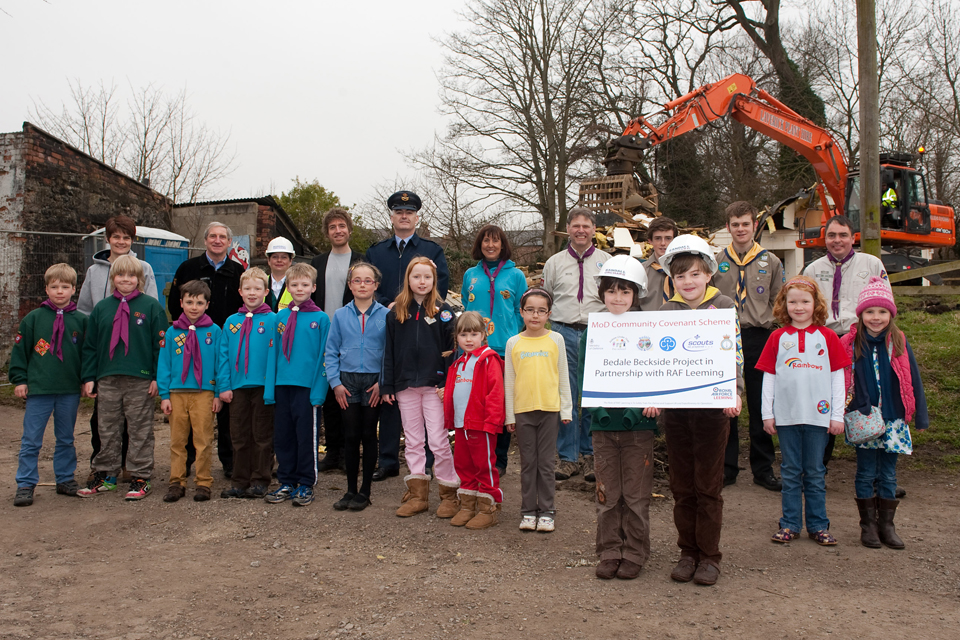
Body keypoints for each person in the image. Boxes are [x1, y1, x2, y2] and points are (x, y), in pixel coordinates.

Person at [656, 235, 743, 586]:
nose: (688, 282)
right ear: (671, 280)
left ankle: (709, 555)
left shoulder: (723, 306)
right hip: (676, 411)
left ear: (708, 273)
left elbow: (735, 351)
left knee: (708, 485)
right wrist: (655, 394)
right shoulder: (665, 311)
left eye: (694, 274)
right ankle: (687, 551)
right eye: (680, 276)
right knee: (681, 484)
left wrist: (734, 392)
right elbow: (658, 360)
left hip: (712, 411)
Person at [577, 256, 658, 580]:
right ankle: (610, 549)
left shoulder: (649, 330)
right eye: (612, 291)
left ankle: (635, 551)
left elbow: (657, 372)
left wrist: (653, 403)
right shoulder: (591, 333)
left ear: (636, 294)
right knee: (607, 494)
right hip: (603, 426)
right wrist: (594, 409)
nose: (618, 298)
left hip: (639, 427)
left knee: (636, 497)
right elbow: (584, 375)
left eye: (625, 291)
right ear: (602, 293)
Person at [757, 276, 849, 546]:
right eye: (792, 301)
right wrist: (767, 414)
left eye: (805, 301)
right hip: (786, 417)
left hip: (818, 418)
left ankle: (819, 525)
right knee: (790, 471)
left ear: (816, 304)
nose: (799, 307)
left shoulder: (828, 337)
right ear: (784, 305)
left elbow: (837, 378)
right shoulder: (776, 337)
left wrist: (836, 415)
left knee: (816, 472)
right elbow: (769, 378)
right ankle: (790, 524)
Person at [365, 191, 449, 481]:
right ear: (391, 216)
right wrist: (391, 304)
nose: (404, 216)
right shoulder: (377, 251)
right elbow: (369, 282)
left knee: (425, 404)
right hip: (387, 322)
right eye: (398, 211)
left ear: (416, 217)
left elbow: (442, 283)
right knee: (391, 393)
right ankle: (388, 460)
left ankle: (425, 464)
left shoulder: (431, 250)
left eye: (409, 212)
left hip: (423, 328)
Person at [841, 277, 928, 549]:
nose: (875, 318)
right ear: (861, 314)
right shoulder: (851, 342)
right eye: (869, 312)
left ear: (890, 314)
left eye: (882, 312)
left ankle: (886, 525)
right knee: (866, 472)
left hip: (893, 418)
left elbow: (912, 378)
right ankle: (867, 526)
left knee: (888, 474)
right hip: (864, 419)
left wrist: (920, 414)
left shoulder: (899, 341)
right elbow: (841, 379)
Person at [803, 215, 888, 469]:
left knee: (868, 399)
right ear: (824, 239)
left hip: (861, 339)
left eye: (842, 235)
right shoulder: (812, 270)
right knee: (824, 400)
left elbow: (886, 303)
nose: (837, 240)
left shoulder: (871, 263)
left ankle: (876, 475)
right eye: (831, 235)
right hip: (824, 340)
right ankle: (817, 468)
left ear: (853, 238)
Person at [79, 255, 167, 500]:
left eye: (131, 276)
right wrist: (89, 376)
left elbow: (160, 345)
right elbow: (91, 346)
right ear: (112, 278)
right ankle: (105, 475)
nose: (125, 280)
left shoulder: (151, 307)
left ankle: (140, 476)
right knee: (106, 428)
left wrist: (156, 376)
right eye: (120, 275)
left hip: (139, 379)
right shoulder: (102, 308)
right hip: (107, 378)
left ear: (139, 279)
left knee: (139, 429)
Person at [712, 202, 785, 491]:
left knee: (758, 403)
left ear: (755, 225)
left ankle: (762, 468)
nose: (740, 229)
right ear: (727, 227)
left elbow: (778, 303)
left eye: (746, 223)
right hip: (725, 337)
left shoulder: (772, 261)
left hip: (758, 336)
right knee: (726, 403)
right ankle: (727, 467)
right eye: (735, 224)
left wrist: (774, 333)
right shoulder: (716, 261)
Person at [381, 257, 459, 518]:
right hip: (404, 386)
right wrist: (388, 385)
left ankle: (448, 494)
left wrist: (446, 382)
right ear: (408, 280)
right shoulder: (395, 312)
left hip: (434, 386)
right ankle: (417, 495)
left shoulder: (444, 312)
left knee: (438, 440)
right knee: (413, 441)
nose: (422, 282)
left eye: (427, 277)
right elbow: (389, 352)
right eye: (417, 277)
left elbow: (453, 351)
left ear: (434, 280)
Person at [169, 222, 244, 478]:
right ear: (205, 239)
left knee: (224, 404)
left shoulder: (237, 271)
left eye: (222, 236)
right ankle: (188, 462)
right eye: (213, 236)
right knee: (191, 408)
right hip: (192, 342)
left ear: (229, 242)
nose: (217, 240)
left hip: (226, 346)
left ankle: (229, 461)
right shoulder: (188, 268)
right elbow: (174, 303)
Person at [541, 207, 611, 481]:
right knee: (566, 394)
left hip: (598, 332)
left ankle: (591, 454)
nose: (581, 230)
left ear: (594, 229)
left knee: (592, 393)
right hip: (563, 331)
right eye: (575, 225)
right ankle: (567, 457)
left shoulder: (607, 261)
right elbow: (546, 299)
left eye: (586, 225)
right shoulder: (554, 263)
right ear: (568, 228)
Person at [11, 264, 87, 507]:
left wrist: (87, 379)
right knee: (31, 439)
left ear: (74, 289)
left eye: (65, 287)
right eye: (54, 287)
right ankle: (25, 483)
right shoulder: (34, 319)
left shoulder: (81, 321)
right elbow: (21, 352)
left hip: (68, 389)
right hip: (39, 389)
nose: (60, 292)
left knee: (65, 437)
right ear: (46, 289)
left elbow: (87, 354)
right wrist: (20, 379)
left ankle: (65, 478)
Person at [504, 288, 572, 533]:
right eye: (530, 310)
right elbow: (509, 381)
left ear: (549, 314)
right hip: (523, 412)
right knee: (527, 464)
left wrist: (566, 410)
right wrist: (509, 415)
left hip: (549, 410)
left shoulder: (556, 340)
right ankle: (527, 511)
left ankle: (547, 512)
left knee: (545, 464)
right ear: (521, 312)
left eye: (541, 311)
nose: (535, 315)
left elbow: (563, 376)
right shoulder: (514, 342)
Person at [461, 225, 527, 475]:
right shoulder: (470, 274)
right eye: (486, 241)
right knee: (475, 404)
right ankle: (478, 456)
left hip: (503, 350)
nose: (490, 245)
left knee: (498, 406)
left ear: (503, 245)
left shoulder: (516, 275)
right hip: (474, 351)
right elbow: (467, 308)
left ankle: (499, 461)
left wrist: (510, 334)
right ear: (480, 244)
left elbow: (521, 312)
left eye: (495, 241)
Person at [263, 263, 330, 507]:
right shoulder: (279, 317)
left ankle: (305, 482)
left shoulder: (321, 319)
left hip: (307, 389)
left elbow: (325, 356)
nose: (299, 289)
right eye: (294, 285)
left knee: (306, 437)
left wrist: (319, 392)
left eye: (304, 285)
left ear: (313, 287)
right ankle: (286, 481)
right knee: (283, 437)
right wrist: (270, 389)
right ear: (287, 288)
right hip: (282, 386)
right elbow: (273, 355)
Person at [326, 262, 389, 512]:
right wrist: (336, 383)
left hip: (373, 382)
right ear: (350, 285)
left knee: (368, 434)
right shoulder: (340, 315)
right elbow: (330, 352)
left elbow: (390, 353)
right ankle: (350, 489)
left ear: (376, 285)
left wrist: (382, 383)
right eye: (357, 280)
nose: (362, 285)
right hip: (347, 382)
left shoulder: (386, 315)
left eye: (368, 281)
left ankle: (365, 491)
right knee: (350, 435)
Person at [158, 280, 223, 503]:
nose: (194, 307)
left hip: (204, 392)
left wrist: (217, 394)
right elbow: (164, 364)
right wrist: (164, 395)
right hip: (176, 392)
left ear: (207, 304)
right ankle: (177, 481)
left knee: (203, 439)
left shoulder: (214, 331)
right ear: (181, 303)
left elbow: (219, 363)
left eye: (199, 302)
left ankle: (203, 482)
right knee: (177, 440)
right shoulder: (171, 331)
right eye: (189, 302)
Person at [218, 268, 277, 500]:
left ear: (266, 291)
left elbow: (278, 357)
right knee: (239, 435)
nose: (252, 293)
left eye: (257, 289)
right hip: (237, 387)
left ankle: (260, 479)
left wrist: (273, 386)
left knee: (262, 435)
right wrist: (224, 386)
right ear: (240, 291)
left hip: (263, 387)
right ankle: (239, 480)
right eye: (248, 289)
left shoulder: (273, 320)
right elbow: (223, 355)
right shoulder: (231, 322)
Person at [311, 208, 362, 472]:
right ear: (327, 232)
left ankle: (349, 453)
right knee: (330, 396)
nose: (338, 230)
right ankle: (332, 453)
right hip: (323, 336)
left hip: (353, 337)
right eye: (332, 227)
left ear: (349, 230)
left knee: (349, 395)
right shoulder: (317, 263)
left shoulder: (361, 261)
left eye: (342, 225)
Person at [444, 311, 506, 530]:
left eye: (473, 334)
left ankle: (488, 508)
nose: (468, 339)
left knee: (484, 467)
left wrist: (492, 422)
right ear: (456, 338)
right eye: (463, 335)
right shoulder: (459, 363)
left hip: (481, 425)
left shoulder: (489, 360)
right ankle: (468, 505)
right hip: (462, 425)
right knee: (463, 465)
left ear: (483, 335)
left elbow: (496, 393)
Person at [638, 216, 678, 311]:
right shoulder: (640, 271)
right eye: (658, 238)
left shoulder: (687, 270)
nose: (663, 243)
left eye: (668, 238)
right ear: (650, 241)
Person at [264, 236, 295, 312]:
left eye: (284, 257)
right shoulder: (260, 283)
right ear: (268, 260)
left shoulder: (297, 284)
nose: (279, 260)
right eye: (275, 257)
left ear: (290, 261)